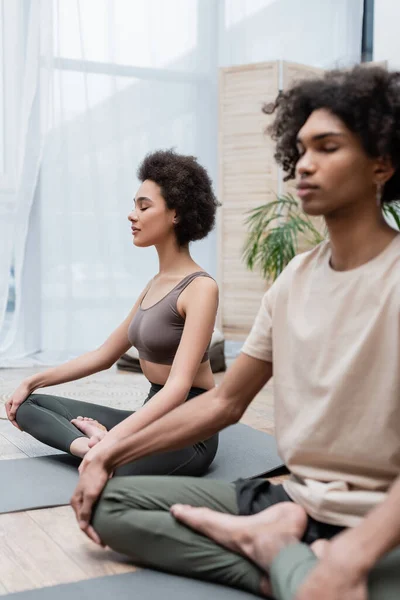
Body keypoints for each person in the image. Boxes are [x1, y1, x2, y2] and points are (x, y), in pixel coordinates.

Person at [71, 65, 400, 599]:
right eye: (301, 149)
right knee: (111, 504)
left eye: (328, 147)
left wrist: (353, 557)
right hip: (296, 504)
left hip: (380, 527)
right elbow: (224, 404)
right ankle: (288, 558)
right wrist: (109, 454)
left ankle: (281, 556)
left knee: (336, 584)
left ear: (381, 162)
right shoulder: (295, 280)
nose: (305, 165)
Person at [6, 149, 220, 478]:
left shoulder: (201, 288)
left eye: (143, 206)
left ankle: (104, 448)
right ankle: (88, 447)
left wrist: (117, 437)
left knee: (115, 464)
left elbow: (178, 388)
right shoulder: (154, 284)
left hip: (189, 431)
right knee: (29, 407)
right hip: (152, 413)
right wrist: (30, 382)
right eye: (134, 205)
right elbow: (104, 355)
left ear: (175, 214)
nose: (132, 215)